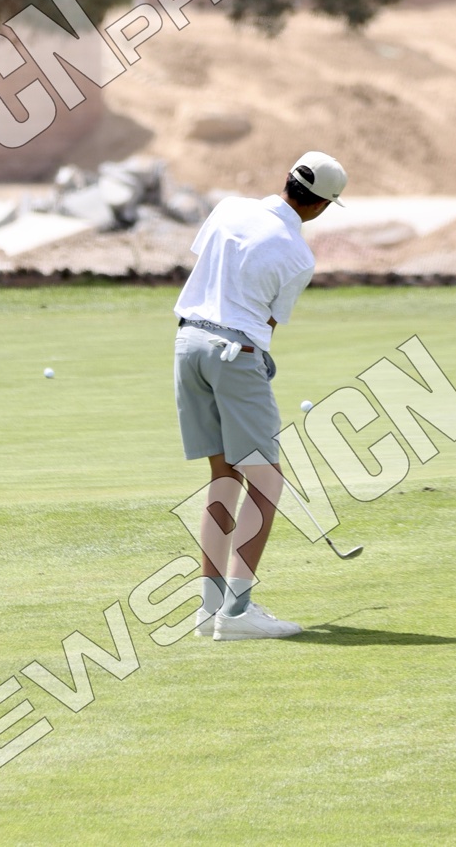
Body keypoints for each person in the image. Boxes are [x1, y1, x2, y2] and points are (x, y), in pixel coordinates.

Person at [172, 150, 347, 641]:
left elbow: (210, 267)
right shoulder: (300, 256)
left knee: (224, 475)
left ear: (287, 180)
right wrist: (255, 358)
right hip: (235, 353)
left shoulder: (229, 207)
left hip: (188, 344)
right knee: (266, 482)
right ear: (322, 206)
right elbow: (267, 320)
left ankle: (210, 608)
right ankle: (236, 613)